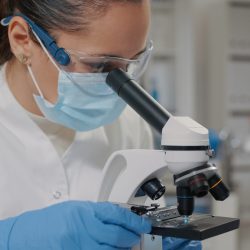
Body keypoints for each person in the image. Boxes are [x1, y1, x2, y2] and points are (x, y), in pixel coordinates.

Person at [0, 0, 201, 249]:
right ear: (22, 40)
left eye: (128, 65)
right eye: (99, 66)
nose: (116, 88)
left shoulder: (129, 123)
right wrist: (10, 239)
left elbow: (144, 223)